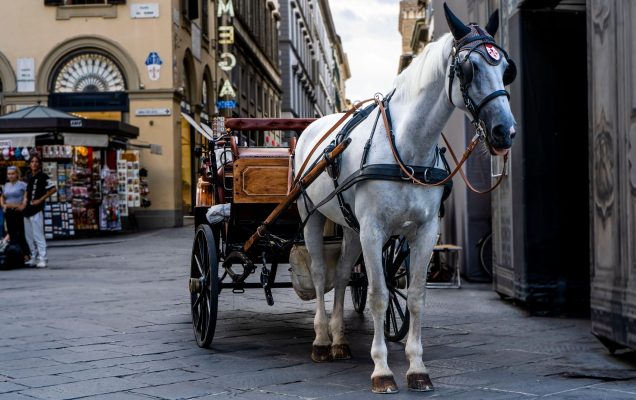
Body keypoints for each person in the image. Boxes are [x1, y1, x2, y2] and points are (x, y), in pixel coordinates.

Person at [23, 154, 56, 268]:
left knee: (38, 235)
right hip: (27, 208)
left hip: (37, 209)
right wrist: (24, 201)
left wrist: (41, 200)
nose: (34, 163)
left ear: (39, 164)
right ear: (29, 164)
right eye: (32, 161)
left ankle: (43, 258)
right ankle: (33, 257)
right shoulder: (28, 176)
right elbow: (27, 191)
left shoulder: (43, 176)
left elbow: (53, 189)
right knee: (29, 235)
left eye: (36, 161)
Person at [1, 166, 29, 263]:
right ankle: (15, 254)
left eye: (13, 173)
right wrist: (3, 205)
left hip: (18, 211)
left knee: (21, 233)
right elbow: (2, 197)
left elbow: (26, 196)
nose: (11, 176)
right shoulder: (6, 185)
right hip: (9, 211)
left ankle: (26, 254)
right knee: (11, 233)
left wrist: (23, 205)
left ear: (17, 174)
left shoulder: (22, 185)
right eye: (9, 174)